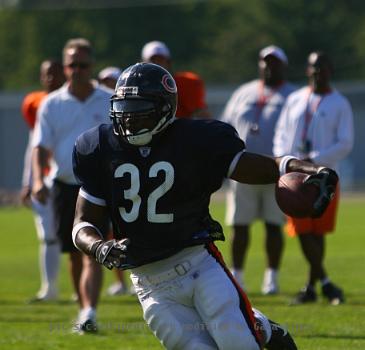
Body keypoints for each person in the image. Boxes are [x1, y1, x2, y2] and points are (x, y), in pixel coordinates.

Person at [72, 63, 337, 348]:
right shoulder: (99, 146)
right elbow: (82, 223)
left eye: (139, 107)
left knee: (238, 344)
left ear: (164, 108)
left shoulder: (196, 140)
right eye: (123, 106)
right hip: (149, 283)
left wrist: (304, 168)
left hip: (198, 264)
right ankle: (256, 323)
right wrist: (98, 246)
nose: (128, 117)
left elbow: (251, 166)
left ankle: (262, 330)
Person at [32, 38, 112, 332]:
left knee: (94, 251)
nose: (76, 70)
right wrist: (39, 179)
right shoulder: (51, 103)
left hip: (101, 189)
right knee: (74, 253)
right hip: (65, 187)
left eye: (82, 65)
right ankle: (84, 310)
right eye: (71, 65)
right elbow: (39, 146)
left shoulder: (108, 99)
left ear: (92, 66)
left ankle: (90, 311)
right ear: (64, 68)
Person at [273, 51, 354, 305]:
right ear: (307, 70)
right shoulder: (296, 99)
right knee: (302, 229)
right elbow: (281, 134)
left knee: (317, 232)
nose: (317, 72)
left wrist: (317, 159)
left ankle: (311, 287)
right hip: (296, 174)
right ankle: (328, 284)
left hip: (324, 175)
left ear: (330, 70)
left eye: (322, 67)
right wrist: (284, 160)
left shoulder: (339, 103)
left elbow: (345, 142)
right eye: (313, 67)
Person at [221, 45, 296, 294]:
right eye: (264, 61)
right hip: (243, 167)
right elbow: (227, 124)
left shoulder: (292, 95)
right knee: (239, 225)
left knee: (274, 226)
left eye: (274, 62)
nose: (268, 66)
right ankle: (237, 277)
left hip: (276, 170)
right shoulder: (244, 92)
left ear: (283, 65)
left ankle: (271, 279)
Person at [21, 59, 65, 302]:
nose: (50, 78)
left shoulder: (68, 101)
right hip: (44, 177)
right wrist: (28, 181)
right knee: (47, 236)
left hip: (68, 177)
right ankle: (49, 288)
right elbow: (33, 147)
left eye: (55, 73)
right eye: (46, 74)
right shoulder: (34, 103)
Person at [97, 65, 129, 296]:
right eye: (104, 81)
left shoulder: (129, 109)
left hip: (123, 177)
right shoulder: (95, 102)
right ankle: (121, 280)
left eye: (112, 81)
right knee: (108, 234)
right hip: (103, 179)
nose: (107, 85)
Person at [141, 40, 211, 119]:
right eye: (153, 60)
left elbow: (202, 115)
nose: (157, 64)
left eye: (160, 60)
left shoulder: (184, 83)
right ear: (143, 63)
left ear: (168, 62)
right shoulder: (138, 86)